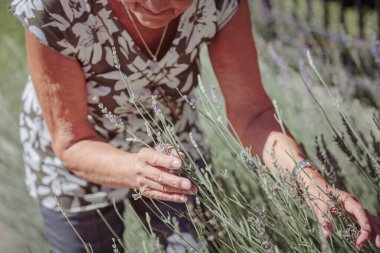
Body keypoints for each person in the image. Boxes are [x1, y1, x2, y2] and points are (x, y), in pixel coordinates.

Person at [9, 0, 380, 252]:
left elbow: (252, 114)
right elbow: (71, 141)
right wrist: (137, 171)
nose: (154, 5)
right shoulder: (52, 6)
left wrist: (310, 181)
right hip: (76, 162)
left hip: (174, 148)